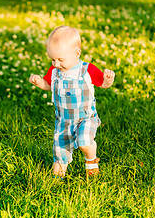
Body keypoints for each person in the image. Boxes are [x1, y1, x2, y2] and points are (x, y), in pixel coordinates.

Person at [29, 26, 115, 178]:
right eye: (52, 59)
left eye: (60, 60)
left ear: (76, 53)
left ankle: (91, 161)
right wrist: (39, 82)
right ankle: (56, 181)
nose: (55, 64)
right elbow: (49, 85)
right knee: (60, 151)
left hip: (85, 118)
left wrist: (108, 80)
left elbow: (103, 84)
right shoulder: (55, 71)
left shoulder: (87, 70)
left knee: (84, 141)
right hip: (63, 121)